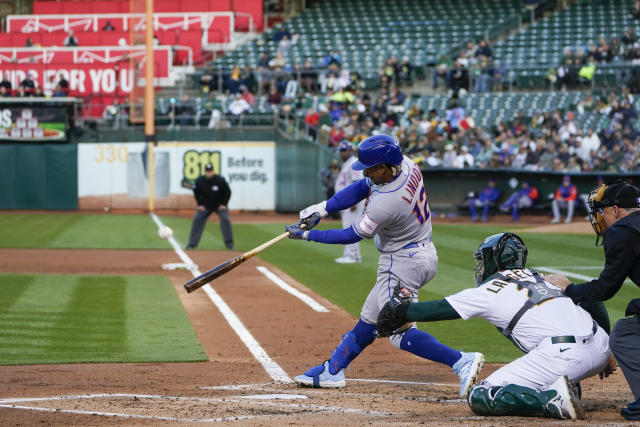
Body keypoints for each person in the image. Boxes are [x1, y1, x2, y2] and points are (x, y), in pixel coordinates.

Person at [285, 134, 485, 398]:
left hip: (401, 263)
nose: (366, 172)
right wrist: (321, 209)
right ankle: (333, 370)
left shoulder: (387, 202)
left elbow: (352, 234)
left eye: (371, 167)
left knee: (397, 331)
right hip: (421, 253)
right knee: (370, 318)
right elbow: (361, 187)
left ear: (385, 166)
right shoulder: (407, 165)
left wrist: (307, 235)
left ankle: (460, 361)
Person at [376, 232, 615, 420]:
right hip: (600, 348)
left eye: (483, 260)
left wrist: (399, 310)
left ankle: (554, 399)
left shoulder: (489, 290)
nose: (480, 267)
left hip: (565, 357)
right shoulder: (543, 276)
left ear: (493, 260)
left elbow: (439, 308)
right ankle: (562, 386)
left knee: (481, 394)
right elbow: (594, 300)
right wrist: (608, 347)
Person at [546, 181, 640, 421]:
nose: (600, 217)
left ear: (616, 210)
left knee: (625, 333)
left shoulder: (621, 231)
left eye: (602, 211)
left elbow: (605, 288)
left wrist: (569, 288)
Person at [186, 163, 234, 250]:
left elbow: (228, 192)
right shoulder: (200, 181)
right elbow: (196, 193)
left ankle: (229, 244)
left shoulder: (220, 180)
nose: (209, 173)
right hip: (205, 206)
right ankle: (191, 244)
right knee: (197, 219)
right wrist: (200, 204)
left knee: (226, 220)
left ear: (213, 171)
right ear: (205, 172)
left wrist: (224, 204)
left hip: (219, 205)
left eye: (210, 171)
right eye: (207, 171)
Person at [333, 141, 364, 263]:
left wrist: (353, 201)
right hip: (347, 201)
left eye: (344, 150)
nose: (342, 153)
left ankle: (352, 255)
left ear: (351, 151)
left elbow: (357, 182)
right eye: (341, 151)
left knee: (350, 228)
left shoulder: (353, 163)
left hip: (352, 202)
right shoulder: (347, 163)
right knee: (348, 228)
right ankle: (352, 254)